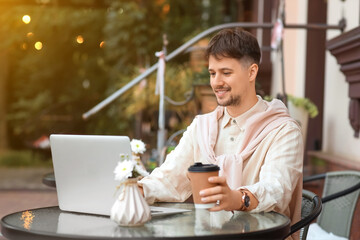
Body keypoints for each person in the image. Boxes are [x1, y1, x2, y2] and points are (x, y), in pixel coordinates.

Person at [138, 28, 303, 239]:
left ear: (252, 72)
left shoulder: (283, 130)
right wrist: (137, 190)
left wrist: (237, 198)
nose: (216, 82)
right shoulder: (202, 127)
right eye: (212, 73)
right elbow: (170, 178)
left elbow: (276, 190)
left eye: (226, 73)